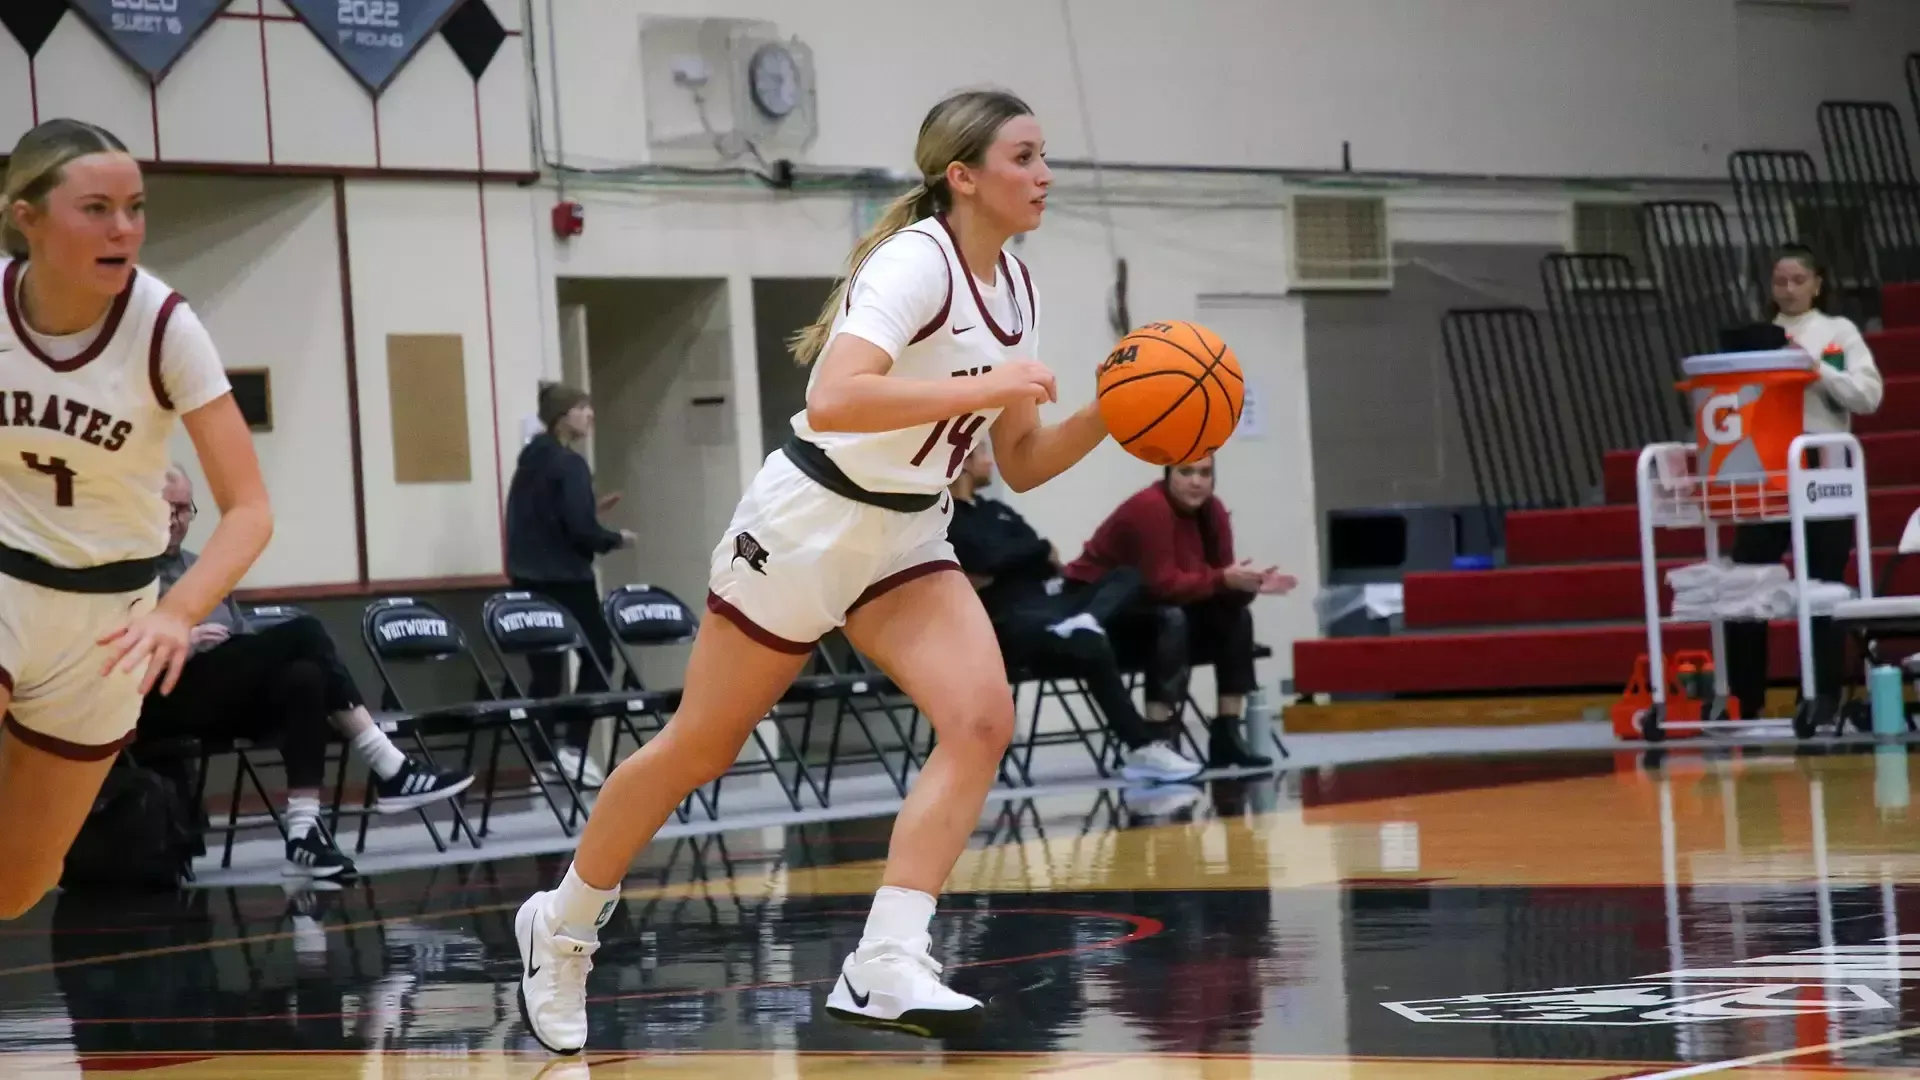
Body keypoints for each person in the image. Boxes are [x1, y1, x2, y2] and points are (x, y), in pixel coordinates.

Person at [515, 89, 1108, 1052]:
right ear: (963, 176)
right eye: (1026, 157)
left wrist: (1115, 411)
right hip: (811, 519)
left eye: (1046, 158)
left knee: (982, 717)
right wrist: (985, 384)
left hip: (909, 533)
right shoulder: (916, 261)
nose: (1044, 176)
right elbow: (833, 398)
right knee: (699, 749)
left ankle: (887, 957)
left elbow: (1027, 458)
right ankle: (566, 921)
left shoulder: (1020, 288)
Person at [0, 119, 273, 919]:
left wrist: (179, 615)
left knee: (17, 888)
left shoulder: (163, 327)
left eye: (135, 207)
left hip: (111, 621)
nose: (124, 228)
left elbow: (250, 510)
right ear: (28, 217)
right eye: (96, 208)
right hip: (6, 576)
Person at [137, 466, 473, 879]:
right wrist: (184, 643)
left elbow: (239, 637)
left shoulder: (203, 567)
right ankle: (388, 765)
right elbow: (115, 657)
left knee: (304, 679)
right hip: (162, 696)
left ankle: (303, 836)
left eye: (185, 509)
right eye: (167, 508)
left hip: (221, 689)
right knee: (305, 631)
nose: (177, 519)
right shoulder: (124, 572)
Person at [947, 443, 1202, 783]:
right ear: (963, 463)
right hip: (1009, 621)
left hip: (1056, 604)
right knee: (1090, 644)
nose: (992, 461)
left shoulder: (996, 509)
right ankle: (1142, 747)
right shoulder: (947, 518)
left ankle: (1088, 619)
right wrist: (1030, 554)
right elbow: (989, 559)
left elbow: (1046, 553)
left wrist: (1020, 557)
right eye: (983, 454)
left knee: (1128, 576)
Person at [1724, 244, 1881, 724]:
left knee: (1823, 583)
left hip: (1820, 464)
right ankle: (1744, 698)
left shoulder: (1836, 334)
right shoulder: (1757, 336)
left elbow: (1867, 395)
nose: (1788, 290)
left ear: (1817, 283)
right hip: (1762, 467)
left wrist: (1814, 371)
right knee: (1747, 582)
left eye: (1797, 281)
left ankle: (1823, 695)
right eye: (1779, 281)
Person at [1063, 456, 1294, 770]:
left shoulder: (1213, 511)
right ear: (1168, 474)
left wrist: (1249, 585)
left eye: (1205, 473)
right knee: (1170, 618)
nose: (1196, 482)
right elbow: (1162, 585)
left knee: (1237, 619)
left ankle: (1227, 733)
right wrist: (1224, 580)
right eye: (1186, 472)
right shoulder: (1151, 507)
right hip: (1099, 614)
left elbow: (1218, 589)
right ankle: (1160, 739)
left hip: (1159, 612)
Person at [503, 382, 635, 789]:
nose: (589, 415)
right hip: (567, 582)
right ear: (563, 416)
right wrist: (615, 537)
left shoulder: (530, 461)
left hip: (528, 580)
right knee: (599, 661)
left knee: (546, 672)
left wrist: (588, 512)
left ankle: (545, 753)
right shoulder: (569, 464)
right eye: (582, 407)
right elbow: (580, 532)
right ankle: (574, 747)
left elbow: (545, 519)